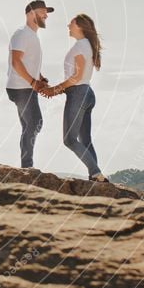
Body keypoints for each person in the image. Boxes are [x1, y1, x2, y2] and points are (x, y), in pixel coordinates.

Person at [40, 14, 108, 182]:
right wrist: (57, 90)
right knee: (85, 140)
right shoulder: (86, 45)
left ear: (79, 26)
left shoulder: (80, 46)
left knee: (69, 139)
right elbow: (78, 77)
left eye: (71, 23)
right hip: (86, 92)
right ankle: (95, 177)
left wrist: (55, 89)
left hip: (78, 93)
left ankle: (97, 173)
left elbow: (76, 77)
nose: (68, 25)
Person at [5, 0, 55, 168]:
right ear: (31, 13)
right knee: (35, 123)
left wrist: (40, 78)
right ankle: (27, 166)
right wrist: (33, 82)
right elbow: (16, 62)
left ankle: (26, 166)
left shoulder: (33, 35)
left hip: (25, 86)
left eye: (46, 13)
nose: (46, 15)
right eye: (42, 12)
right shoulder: (22, 34)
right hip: (21, 87)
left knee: (29, 125)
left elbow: (29, 62)